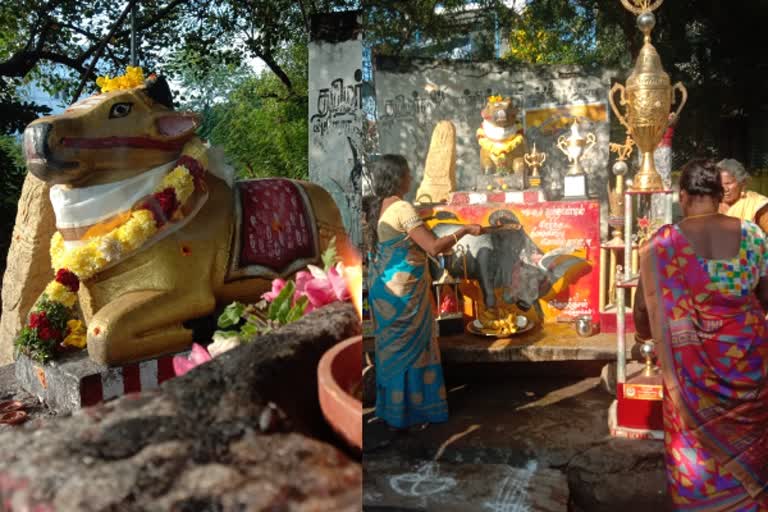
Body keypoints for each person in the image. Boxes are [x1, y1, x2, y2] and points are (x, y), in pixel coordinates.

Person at [634, 159, 768, 510]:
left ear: (682, 196)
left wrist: (647, 338)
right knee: (751, 450)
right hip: (750, 363)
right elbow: (765, 294)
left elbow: (644, 310)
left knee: (694, 451)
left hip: (689, 370)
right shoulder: (754, 235)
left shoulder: (661, 246)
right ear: (720, 194)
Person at [363, 154, 484, 435]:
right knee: (414, 352)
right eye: (406, 173)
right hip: (404, 296)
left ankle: (392, 412)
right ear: (397, 178)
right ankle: (415, 413)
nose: (410, 177)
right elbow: (433, 247)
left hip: (385, 294)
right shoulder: (403, 208)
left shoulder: (379, 206)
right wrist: (464, 229)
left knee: (391, 352)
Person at [717, 158, 768, 233]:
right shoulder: (711, 203)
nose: (724, 189)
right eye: (720, 184)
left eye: (728, 183)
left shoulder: (757, 204)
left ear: (742, 183)